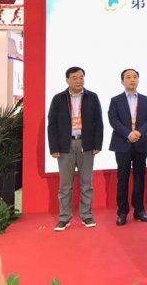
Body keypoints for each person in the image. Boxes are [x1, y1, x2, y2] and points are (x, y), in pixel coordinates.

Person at [47, 66, 103, 231]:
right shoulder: (58, 99)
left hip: (86, 145)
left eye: (81, 77)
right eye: (75, 78)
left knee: (87, 184)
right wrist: (54, 147)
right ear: (67, 80)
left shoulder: (92, 97)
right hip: (66, 146)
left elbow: (99, 122)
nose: (79, 81)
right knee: (65, 185)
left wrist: (97, 144)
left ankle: (86, 215)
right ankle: (64, 217)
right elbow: (52, 125)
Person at [108, 69, 147, 226]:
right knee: (122, 178)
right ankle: (122, 212)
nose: (132, 80)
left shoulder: (145, 100)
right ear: (122, 81)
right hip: (122, 143)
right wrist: (128, 133)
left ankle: (139, 210)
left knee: (139, 178)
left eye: (135, 77)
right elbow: (113, 120)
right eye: (128, 77)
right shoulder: (116, 100)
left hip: (140, 143)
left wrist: (139, 133)